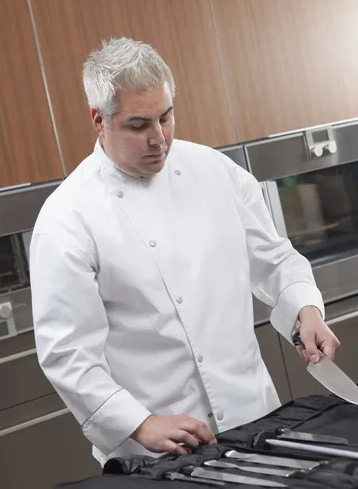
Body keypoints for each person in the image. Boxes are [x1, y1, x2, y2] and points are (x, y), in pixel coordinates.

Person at [30, 37, 340, 467]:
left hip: (258, 419)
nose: (159, 139)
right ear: (99, 120)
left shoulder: (216, 173)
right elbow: (67, 354)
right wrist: (139, 423)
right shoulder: (68, 218)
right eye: (139, 125)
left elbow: (275, 260)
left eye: (166, 117)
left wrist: (306, 310)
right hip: (156, 449)